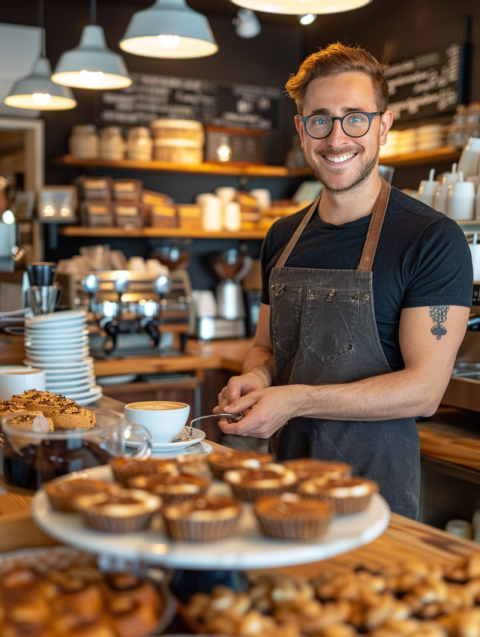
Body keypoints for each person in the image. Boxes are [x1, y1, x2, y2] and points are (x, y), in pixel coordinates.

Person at [214, 43, 473, 519]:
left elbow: (425, 390)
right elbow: (266, 346)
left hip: (375, 500)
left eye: (355, 118)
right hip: (283, 488)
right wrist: (255, 376)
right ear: (301, 129)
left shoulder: (432, 239)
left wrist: (297, 399)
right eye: (320, 120)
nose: (336, 139)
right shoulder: (283, 235)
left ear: (384, 126)